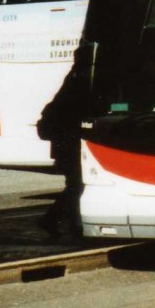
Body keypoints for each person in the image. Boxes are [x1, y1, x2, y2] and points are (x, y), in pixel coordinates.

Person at [36, 60, 89, 237]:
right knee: (77, 186)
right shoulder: (81, 86)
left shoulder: (70, 84)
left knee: (75, 185)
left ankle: (71, 223)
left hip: (64, 146)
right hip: (71, 146)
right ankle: (55, 219)